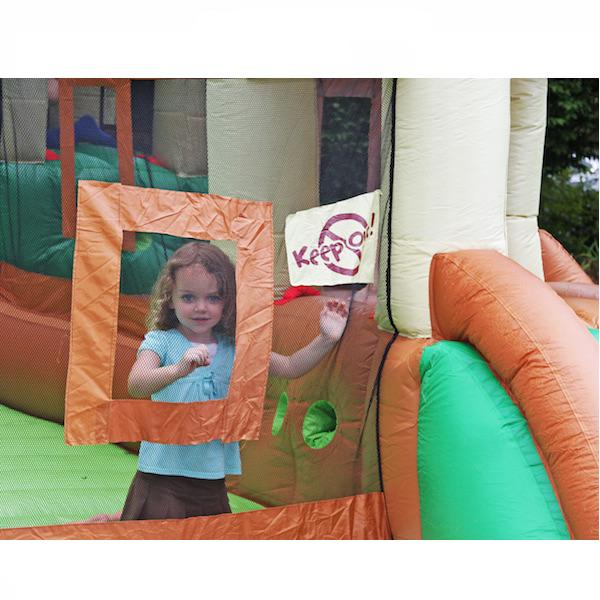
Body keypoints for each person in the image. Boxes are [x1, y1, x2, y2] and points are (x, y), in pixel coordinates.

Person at [88, 241, 348, 523]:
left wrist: (326, 338)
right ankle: (112, 522)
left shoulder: (234, 347)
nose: (201, 307)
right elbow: (136, 383)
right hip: (161, 473)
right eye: (188, 297)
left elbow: (289, 366)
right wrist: (178, 368)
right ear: (170, 298)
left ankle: (115, 520)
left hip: (209, 476)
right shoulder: (162, 341)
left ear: (228, 302)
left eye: (213, 298)